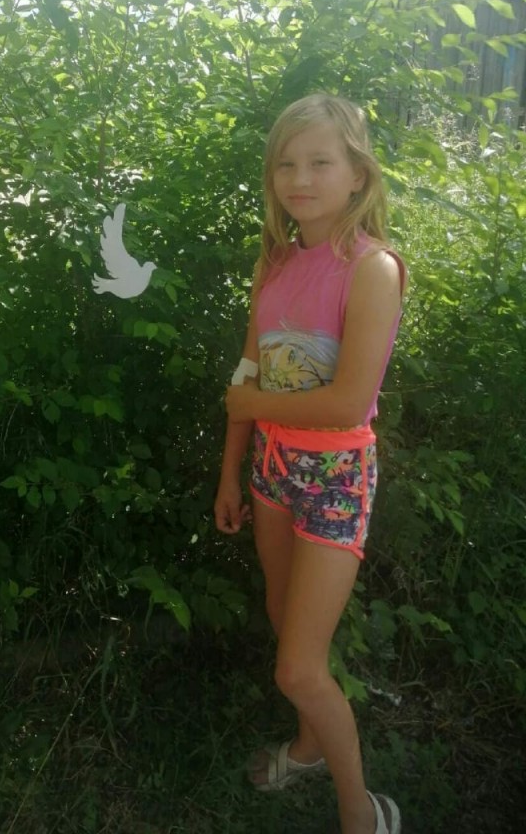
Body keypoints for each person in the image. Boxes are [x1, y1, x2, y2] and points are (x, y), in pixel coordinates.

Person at [215, 93, 405, 834]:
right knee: (278, 614)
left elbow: (349, 402)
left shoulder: (372, 268)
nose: (300, 178)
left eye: (320, 161)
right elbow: (248, 370)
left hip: (334, 480)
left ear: (358, 174)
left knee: (297, 666)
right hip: (271, 471)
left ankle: (363, 812)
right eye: (286, 164)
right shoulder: (275, 263)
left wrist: (251, 405)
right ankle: (308, 745)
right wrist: (231, 470)